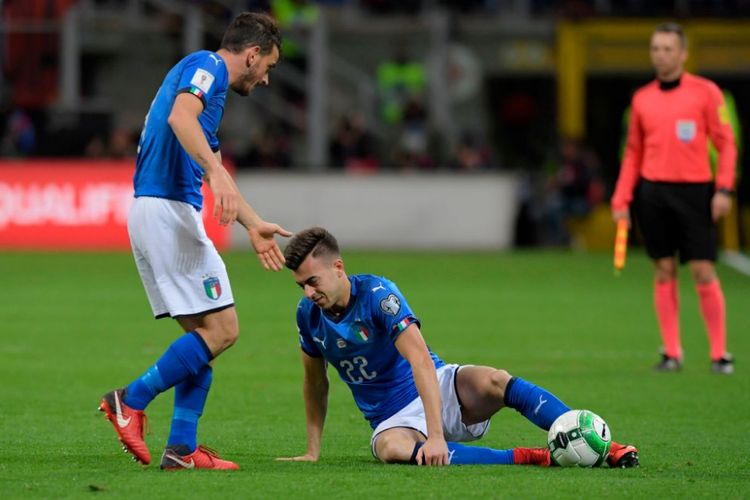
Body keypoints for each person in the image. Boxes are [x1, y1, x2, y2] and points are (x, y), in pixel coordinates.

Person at [98, 12, 292, 470]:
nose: (266, 79)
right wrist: (217, 172)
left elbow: (198, 138)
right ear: (252, 54)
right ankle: (130, 399)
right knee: (224, 331)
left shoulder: (210, 95)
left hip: (154, 211)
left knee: (204, 337)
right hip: (167, 212)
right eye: (269, 66)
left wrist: (252, 223)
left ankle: (181, 449)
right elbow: (181, 116)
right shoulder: (206, 67)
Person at [278, 227, 639, 467]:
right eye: (301, 286)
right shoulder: (308, 316)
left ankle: (604, 445)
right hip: (393, 419)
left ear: (338, 267)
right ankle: (531, 456)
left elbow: (419, 360)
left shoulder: (378, 295)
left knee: (496, 381)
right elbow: (315, 383)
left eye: (312, 281)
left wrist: (437, 436)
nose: (309, 293)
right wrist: (313, 451)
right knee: (390, 449)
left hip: (438, 384)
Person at [611, 22, 737, 375]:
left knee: (702, 269)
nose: (661, 56)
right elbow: (632, 152)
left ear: (683, 53)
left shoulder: (707, 93)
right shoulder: (642, 99)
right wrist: (621, 198)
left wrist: (724, 188)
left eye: (668, 49)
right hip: (653, 192)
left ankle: (719, 353)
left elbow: (726, 143)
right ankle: (672, 352)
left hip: (695, 191)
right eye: (655, 49)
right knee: (663, 268)